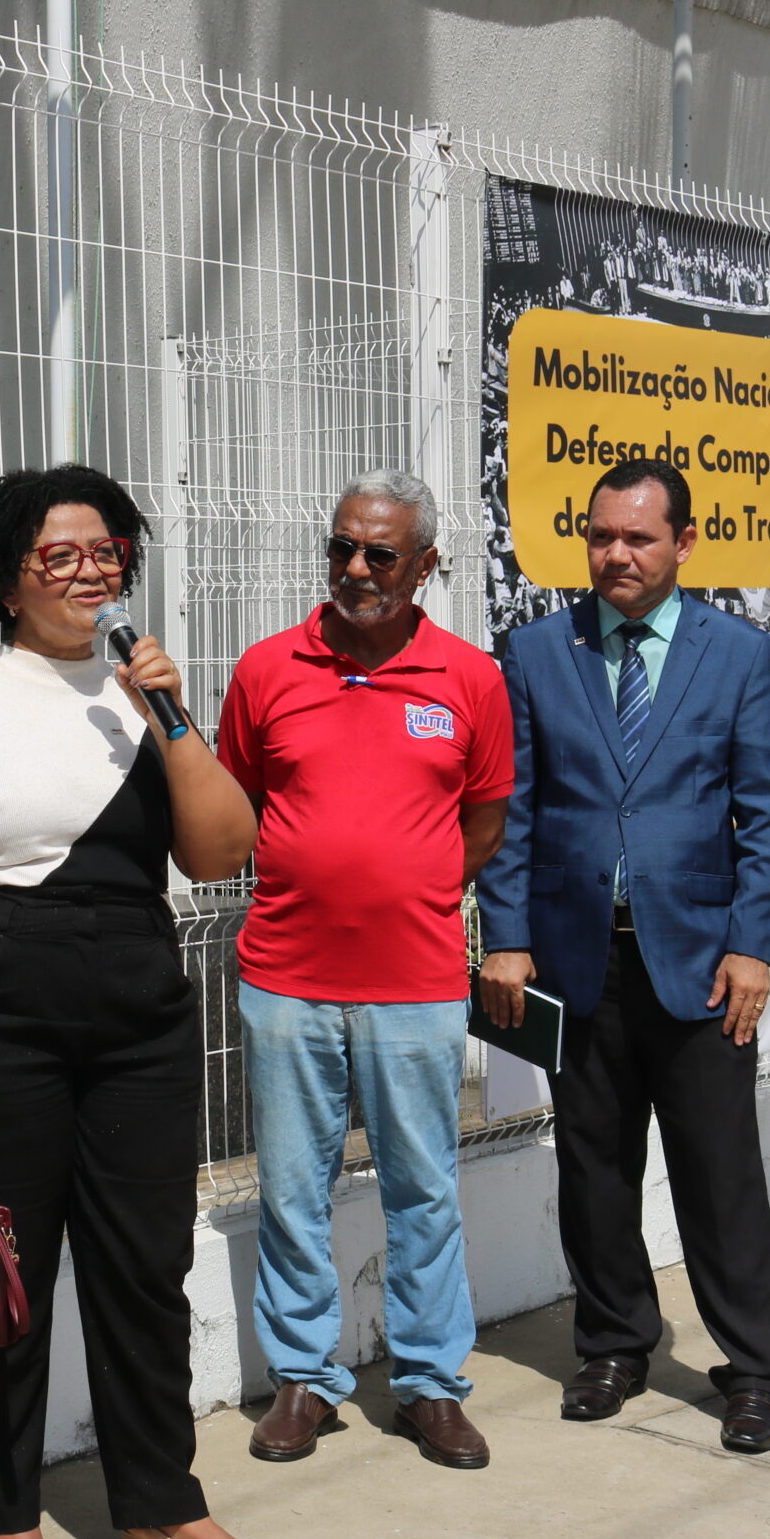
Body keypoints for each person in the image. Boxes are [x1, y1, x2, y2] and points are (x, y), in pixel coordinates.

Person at [0, 463, 282, 1539]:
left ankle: (160, 1504)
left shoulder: (139, 696)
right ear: (9, 579)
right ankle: (0, 1512)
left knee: (144, 1265)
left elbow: (219, 850)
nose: (91, 572)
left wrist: (171, 717)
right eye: (62, 555)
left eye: (108, 552)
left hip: (135, 1006)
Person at [476, 457, 770, 1455]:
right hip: (576, 962)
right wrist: (507, 936)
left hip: (701, 967)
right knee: (594, 1168)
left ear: (684, 543)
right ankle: (614, 1343)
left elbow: (767, 815)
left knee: (719, 1174)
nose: (615, 554)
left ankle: (756, 1369)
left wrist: (751, 948)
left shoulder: (736, 653)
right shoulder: (537, 650)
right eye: (600, 536)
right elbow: (512, 809)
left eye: (638, 537)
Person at [218, 469, 513, 1472]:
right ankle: (303, 1378)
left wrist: (410, 886)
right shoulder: (267, 669)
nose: (354, 568)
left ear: (423, 565)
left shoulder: (468, 679)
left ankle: (430, 1384)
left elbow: (485, 820)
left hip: (416, 983)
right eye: (340, 547)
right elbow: (235, 806)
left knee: (422, 1190)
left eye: (378, 554)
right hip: (285, 978)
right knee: (293, 1190)